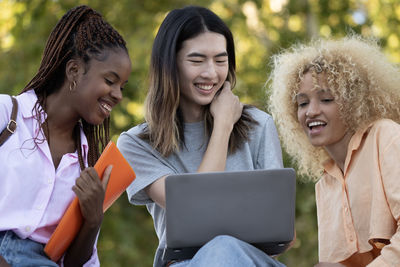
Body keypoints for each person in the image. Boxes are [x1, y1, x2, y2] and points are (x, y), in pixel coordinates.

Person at [117, 5, 285, 267]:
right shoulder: (136, 144)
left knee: (225, 248)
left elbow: (279, 233)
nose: (211, 73)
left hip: (250, 261)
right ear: (169, 65)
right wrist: (222, 126)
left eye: (220, 60)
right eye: (197, 61)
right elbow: (197, 209)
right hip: (186, 263)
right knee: (219, 249)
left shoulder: (259, 126)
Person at [0, 5, 132, 267]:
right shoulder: (7, 115)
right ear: (73, 71)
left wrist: (93, 219)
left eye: (122, 87)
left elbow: (74, 263)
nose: (117, 94)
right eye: (110, 80)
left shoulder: (90, 163)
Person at [268, 35, 400, 266]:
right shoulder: (325, 186)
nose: (311, 111)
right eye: (302, 103)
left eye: (326, 99)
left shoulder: (385, 137)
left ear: (354, 101)